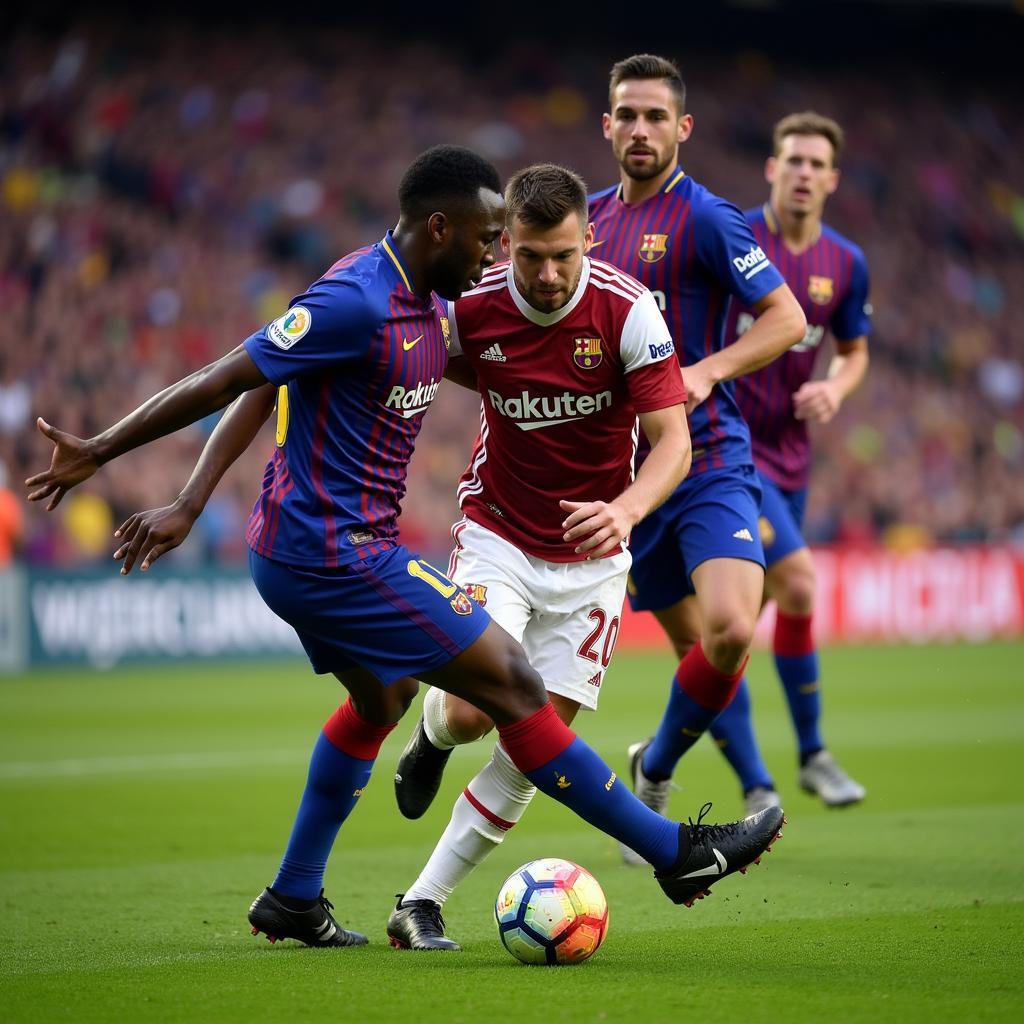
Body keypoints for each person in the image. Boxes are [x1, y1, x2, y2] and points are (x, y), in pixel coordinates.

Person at [28, 145, 784, 947]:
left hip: (323, 550)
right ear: (441, 227)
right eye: (493, 240)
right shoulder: (360, 298)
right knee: (513, 685)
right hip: (336, 555)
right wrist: (120, 460)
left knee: (379, 701)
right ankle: (675, 854)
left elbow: (278, 377)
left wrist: (188, 500)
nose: (499, 259)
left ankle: (293, 897)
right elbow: (238, 374)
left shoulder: (436, 304)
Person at [385, 162, 693, 950]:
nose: (550, 274)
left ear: (589, 238)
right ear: (504, 247)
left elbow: (674, 443)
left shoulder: (629, 312)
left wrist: (625, 509)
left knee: (533, 752)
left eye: (564, 255)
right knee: (470, 710)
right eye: (531, 257)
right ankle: (431, 734)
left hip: (595, 560)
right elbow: (408, 363)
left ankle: (419, 902)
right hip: (500, 537)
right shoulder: (472, 313)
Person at [585, 55, 807, 864]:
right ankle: (677, 769)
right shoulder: (586, 223)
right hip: (627, 478)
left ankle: (655, 766)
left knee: (729, 630)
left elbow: (783, 318)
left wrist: (708, 370)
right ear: (607, 126)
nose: (640, 130)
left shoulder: (707, 218)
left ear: (682, 128)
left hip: (708, 458)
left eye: (655, 117)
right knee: (695, 651)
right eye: (626, 115)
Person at [708, 112, 870, 813]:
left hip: (793, 462)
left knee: (730, 632)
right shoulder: (733, 239)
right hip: (730, 454)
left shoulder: (846, 263)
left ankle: (662, 752)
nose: (803, 172)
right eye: (792, 160)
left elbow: (856, 348)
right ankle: (812, 755)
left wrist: (835, 384)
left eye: (816, 163)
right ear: (772, 168)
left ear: (832, 179)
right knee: (800, 585)